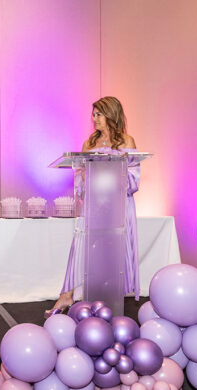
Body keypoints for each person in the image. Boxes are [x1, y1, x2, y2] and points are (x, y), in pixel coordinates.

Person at [47, 96, 140, 315]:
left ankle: (110, 297)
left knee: (115, 251)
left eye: (99, 114)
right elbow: (80, 183)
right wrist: (85, 175)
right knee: (80, 245)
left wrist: (111, 172)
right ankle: (67, 294)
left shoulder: (127, 142)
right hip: (95, 207)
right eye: (93, 114)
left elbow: (134, 180)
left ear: (111, 115)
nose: (94, 119)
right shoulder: (88, 144)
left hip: (119, 207)